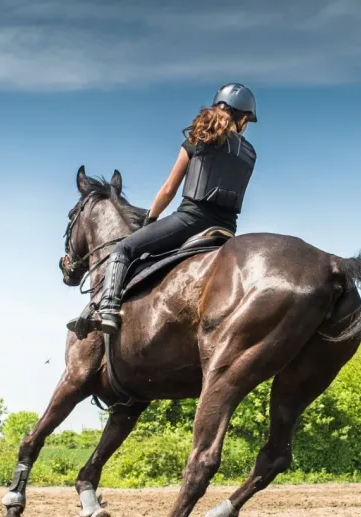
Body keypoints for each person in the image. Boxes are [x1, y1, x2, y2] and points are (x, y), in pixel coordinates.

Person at [84, 83, 258, 337]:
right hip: (227, 230)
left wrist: (151, 219)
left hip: (191, 220)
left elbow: (168, 190)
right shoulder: (250, 154)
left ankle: (107, 309)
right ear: (242, 117)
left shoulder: (199, 138)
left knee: (123, 249)